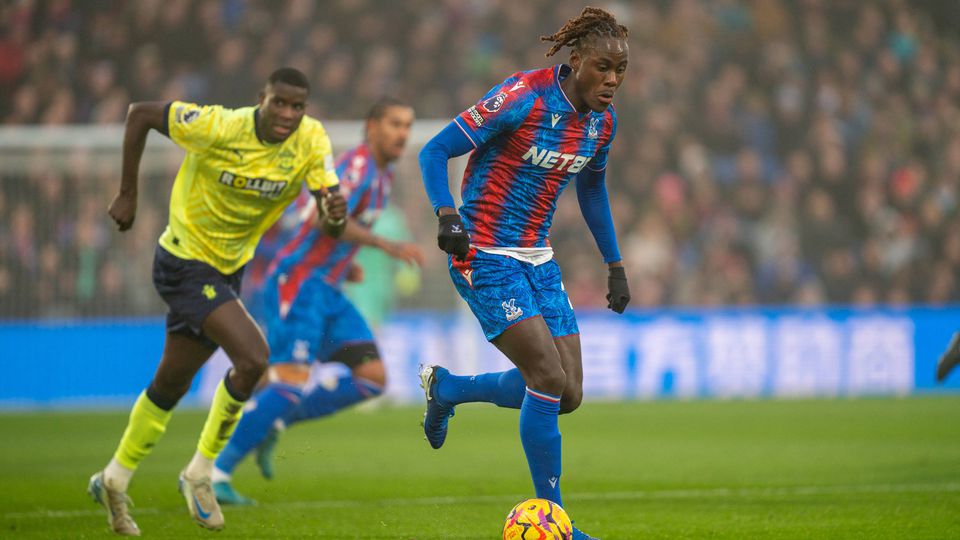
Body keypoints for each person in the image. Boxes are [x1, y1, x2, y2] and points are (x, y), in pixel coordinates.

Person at [87, 67, 348, 536]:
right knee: (253, 359)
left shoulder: (311, 141)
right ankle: (200, 473)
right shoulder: (219, 126)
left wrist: (333, 212)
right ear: (261, 98)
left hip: (227, 270)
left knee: (172, 383)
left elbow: (329, 213)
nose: (288, 114)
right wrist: (128, 193)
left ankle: (112, 478)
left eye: (297, 106)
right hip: (183, 260)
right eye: (279, 103)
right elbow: (140, 114)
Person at [417, 7, 630, 540]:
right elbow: (434, 150)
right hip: (482, 252)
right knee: (548, 379)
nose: (611, 80)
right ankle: (556, 524)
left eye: (620, 71)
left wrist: (615, 264)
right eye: (602, 67)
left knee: (570, 392)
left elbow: (593, 188)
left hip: (536, 255)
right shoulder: (522, 96)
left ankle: (448, 389)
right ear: (575, 60)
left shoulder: (602, 123)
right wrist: (447, 214)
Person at [210, 97, 422, 505]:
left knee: (372, 377)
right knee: (288, 382)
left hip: (328, 286)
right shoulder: (356, 167)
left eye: (407, 126)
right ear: (372, 126)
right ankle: (215, 472)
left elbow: (336, 232)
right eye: (395, 124)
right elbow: (323, 219)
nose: (402, 134)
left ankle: (274, 421)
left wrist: (347, 264)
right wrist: (383, 244)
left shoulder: (381, 176)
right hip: (301, 283)